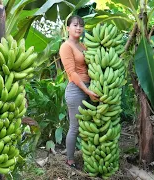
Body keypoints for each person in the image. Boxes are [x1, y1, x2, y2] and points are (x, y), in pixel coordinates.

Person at [59, 15, 99, 168]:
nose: (78, 28)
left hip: (91, 87)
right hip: (76, 89)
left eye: (81, 25)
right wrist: (86, 91)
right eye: (75, 25)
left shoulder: (83, 46)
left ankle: (90, 157)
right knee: (75, 127)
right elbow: (72, 73)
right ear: (68, 28)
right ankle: (70, 159)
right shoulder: (66, 46)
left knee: (91, 124)